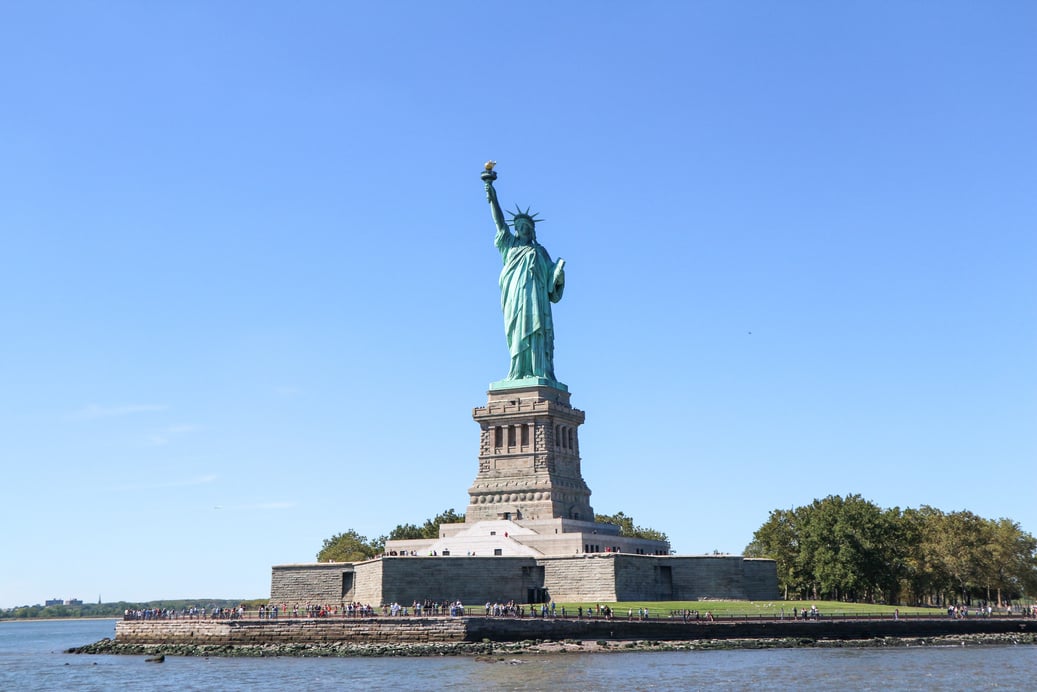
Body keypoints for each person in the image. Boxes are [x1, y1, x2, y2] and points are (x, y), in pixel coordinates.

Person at [484, 174, 565, 383]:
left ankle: (539, 371)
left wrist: (558, 275)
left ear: (532, 231)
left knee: (537, 332)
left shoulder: (540, 252)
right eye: (519, 227)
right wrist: (492, 195)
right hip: (514, 297)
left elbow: (551, 286)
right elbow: (499, 223)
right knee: (516, 333)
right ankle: (517, 371)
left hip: (536, 300)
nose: (522, 230)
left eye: (526, 228)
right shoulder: (509, 246)